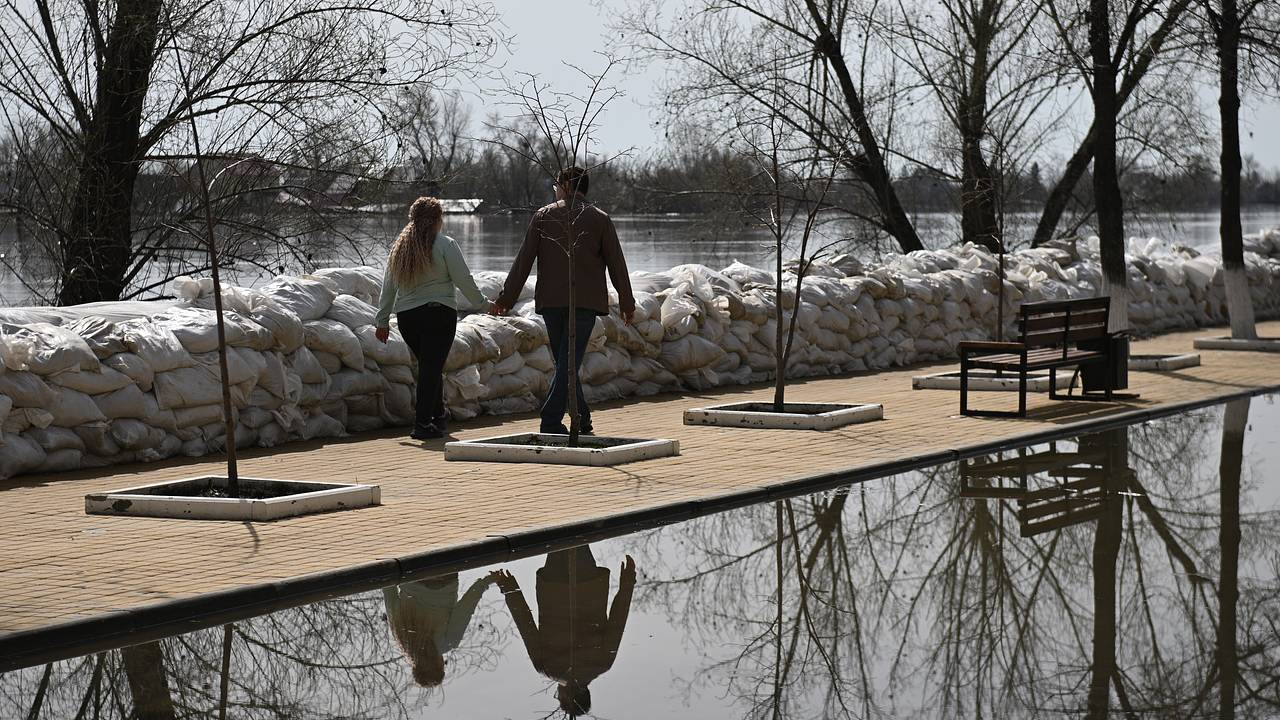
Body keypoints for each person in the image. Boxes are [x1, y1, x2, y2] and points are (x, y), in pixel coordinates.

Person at [490, 166, 635, 435]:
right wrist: (627, 303)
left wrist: (506, 298)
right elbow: (617, 265)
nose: (555, 190)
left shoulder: (544, 216)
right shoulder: (600, 219)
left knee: (566, 363)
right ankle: (553, 420)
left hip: (551, 301)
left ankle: (573, 418)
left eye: (556, 185)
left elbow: (523, 261)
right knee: (568, 363)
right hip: (585, 302)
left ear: (567, 185)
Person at [376, 197, 487, 440]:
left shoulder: (400, 249)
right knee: (431, 367)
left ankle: (438, 418)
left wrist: (382, 321)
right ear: (438, 219)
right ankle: (422, 423)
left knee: (430, 366)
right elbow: (463, 279)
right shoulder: (446, 244)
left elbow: (388, 287)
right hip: (438, 315)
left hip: (408, 319)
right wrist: (483, 304)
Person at [491, 546, 636, 718]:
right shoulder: (547, 668)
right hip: (553, 589)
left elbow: (618, 620)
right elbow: (525, 625)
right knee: (557, 541)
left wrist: (628, 583)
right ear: (567, 697)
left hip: (589, 586)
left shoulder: (602, 664)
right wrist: (508, 588)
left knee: (577, 538)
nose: (557, 694)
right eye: (559, 698)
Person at [383, 573, 495, 687]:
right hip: (411, 575)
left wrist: (488, 580)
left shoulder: (448, 643)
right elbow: (388, 589)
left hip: (445, 577)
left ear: (440, 665)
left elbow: (466, 606)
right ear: (415, 667)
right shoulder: (401, 636)